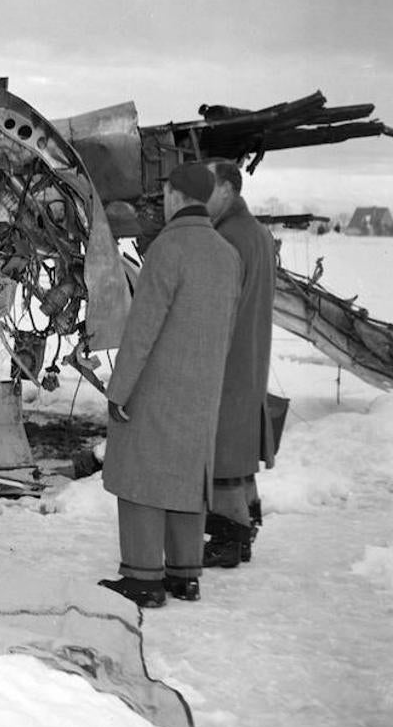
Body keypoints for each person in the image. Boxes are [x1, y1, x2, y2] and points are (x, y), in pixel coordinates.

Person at [98, 162, 241, 607]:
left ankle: (143, 578)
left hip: (156, 386)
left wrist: (119, 390)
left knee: (140, 476)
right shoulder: (227, 253)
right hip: (202, 386)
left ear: (175, 196)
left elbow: (142, 331)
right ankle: (184, 573)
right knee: (185, 477)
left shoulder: (167, 248)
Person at [202, 159, 277, 567]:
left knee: (224, 448)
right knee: (239, 442)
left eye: (208, 189)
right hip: (252, 352)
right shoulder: (258, 234)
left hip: (229, 357)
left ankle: (229, 540)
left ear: (228, 190)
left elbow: (218, 306)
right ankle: (244, 531)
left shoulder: (227, 238)